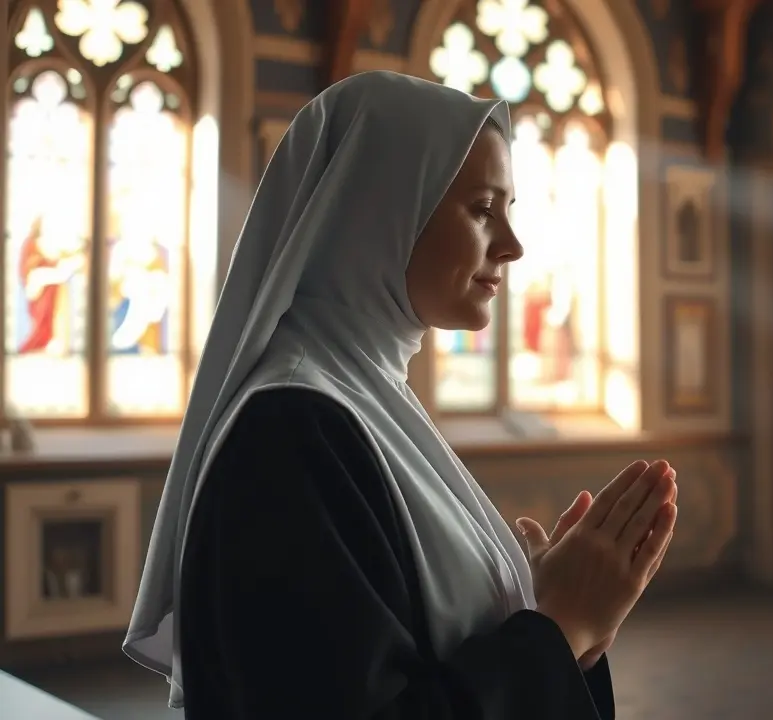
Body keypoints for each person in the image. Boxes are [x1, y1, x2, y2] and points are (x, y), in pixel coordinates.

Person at [121, 71, 678, 719]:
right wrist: (556, 628)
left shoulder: (360, 393)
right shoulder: (291, 427)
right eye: (482, 209)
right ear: (381, 211)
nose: (512, 245)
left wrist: (555, 616)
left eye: (510, 211)